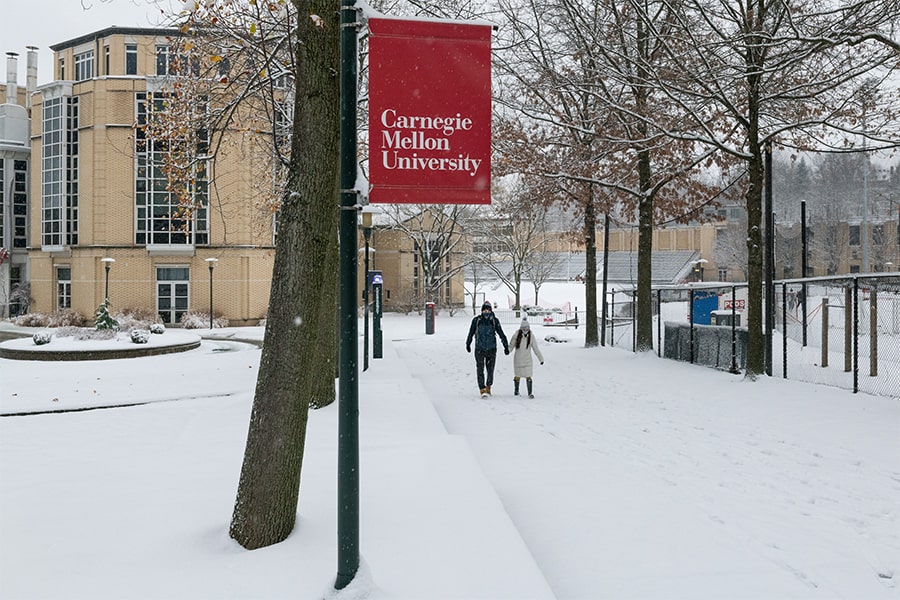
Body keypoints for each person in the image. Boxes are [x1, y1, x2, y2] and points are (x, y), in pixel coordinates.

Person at [466, 301, 509, 397]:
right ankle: (482, 389)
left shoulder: (494, 321)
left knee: (490, 369)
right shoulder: (477, 320)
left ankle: (488, 386)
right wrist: (468, 343)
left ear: (491, 310)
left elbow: (501, 333)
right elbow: (471, 332)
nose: (486, 311)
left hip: (491, 349)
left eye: (488, 309)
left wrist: (506, 346)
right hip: (479, 349)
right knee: (480, 369)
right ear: (482, 310)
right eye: (484, 309)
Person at [511, 317, 544, 398]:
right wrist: (507, 350)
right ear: (521, 328)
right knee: (517, 375)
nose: (525, 330)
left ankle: (530, 393)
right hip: (518, 359)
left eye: (527, 328)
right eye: (524, 328)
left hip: (527, 360)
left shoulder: (531, 336)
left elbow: (535, 348)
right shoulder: (516, 335)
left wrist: (541, 359)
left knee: (528, 376)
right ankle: (516, 391)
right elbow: (511, 345)